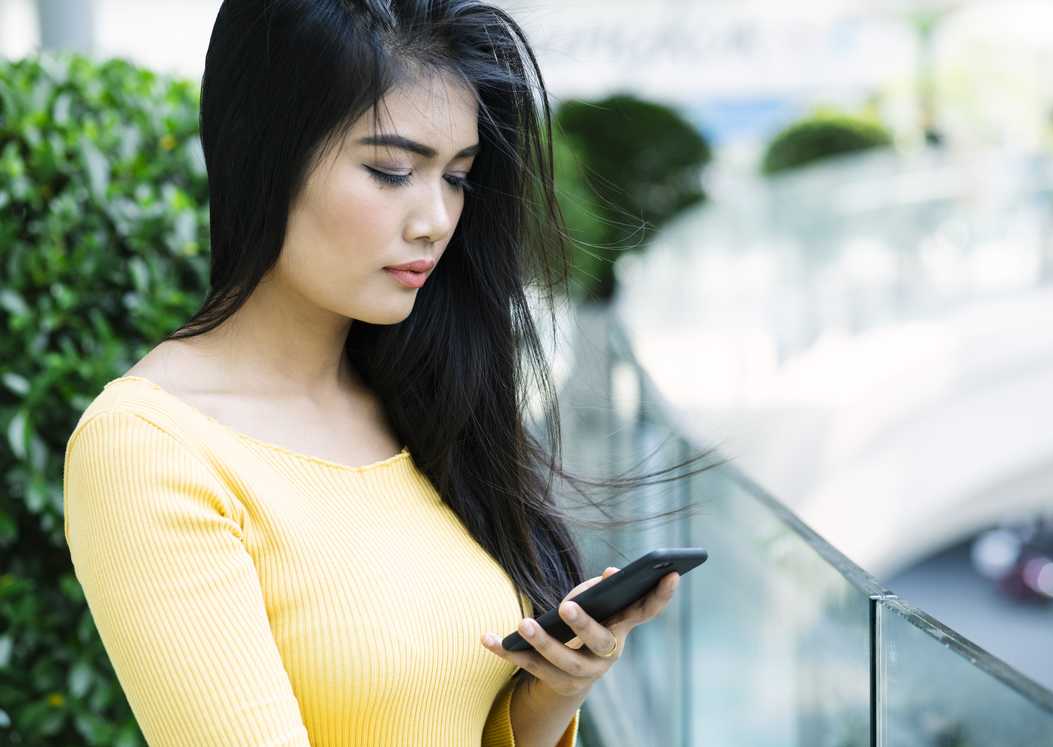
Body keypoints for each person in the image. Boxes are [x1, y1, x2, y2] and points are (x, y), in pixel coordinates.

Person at [63, 1, 725, 745]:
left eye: (458, 178)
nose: (435, 219)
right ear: (264, 156)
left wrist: (548, 699)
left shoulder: (421, 398)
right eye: (392, 170)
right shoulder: (150, 447)